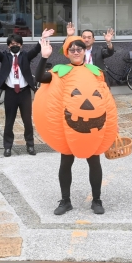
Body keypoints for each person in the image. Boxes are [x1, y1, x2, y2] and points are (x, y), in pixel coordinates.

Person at [34, 36, 110, 215]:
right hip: (69, 127)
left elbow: (106, 99)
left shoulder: (96, 72)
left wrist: (111, 128)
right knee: (66, 163)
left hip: (93, 125)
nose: (76, 52)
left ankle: (97, 200)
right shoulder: (59, 72)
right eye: (72, 50)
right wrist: (44, 57)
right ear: (67, 53)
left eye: (79, 49)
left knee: (94, 162)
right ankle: (65, 200)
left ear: (85, 51)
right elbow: (39, 77)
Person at [0, 26, 54, 157]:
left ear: (21, 45)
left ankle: (30, 145)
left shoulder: (25, 56)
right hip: (10, 93)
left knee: (27, 120)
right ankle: (8, 147)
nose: (14, 46)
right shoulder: (5, 57)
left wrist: (43, 38)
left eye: (17, 44)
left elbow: (36, 50)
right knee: (9, 121)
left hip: (24, 92)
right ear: (8, 46)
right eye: (12, 44)